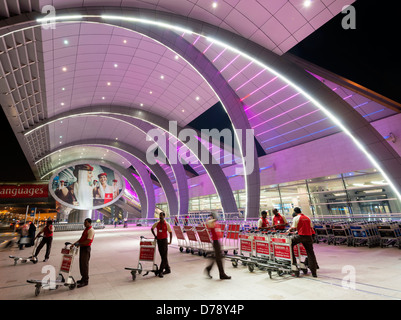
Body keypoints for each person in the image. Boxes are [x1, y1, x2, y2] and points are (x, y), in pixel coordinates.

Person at [287, 207, 318, 277]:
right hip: (309, 237)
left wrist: (289, 230)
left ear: (295, 212)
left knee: (289, 243)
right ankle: (314, 272)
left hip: (300, 236)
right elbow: (311, 227)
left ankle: (294, 263)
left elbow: (293, 227)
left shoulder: (296, 218)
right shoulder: (307, 218)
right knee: (310, 253)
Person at [204, 213, 231, 280]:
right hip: (215, 242)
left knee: (217, 257)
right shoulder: (212, 222)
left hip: (217, 241)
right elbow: (208, 224)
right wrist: (213, 219)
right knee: (218, 258)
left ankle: (208, 269)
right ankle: (222, 274)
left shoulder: (216, 223)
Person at [73, 218, 95, 288]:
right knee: (81, 264)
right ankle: (83, 278)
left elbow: (88, 241)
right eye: (84, 222)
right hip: (82, 247)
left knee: (85, 265)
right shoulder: (86, 229)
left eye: (85, 223)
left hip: (86, 248)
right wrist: (74, 243)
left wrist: (79, 244)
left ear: (89, 223)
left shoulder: (91, 230)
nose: (84, 224)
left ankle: (85, 281)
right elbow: (81, 239)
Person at [151, 212, 172, 278]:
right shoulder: (157, 224)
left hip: (164, 241)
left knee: (164, 256)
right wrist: (155, 236)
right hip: (159, 241)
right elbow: (152, 229)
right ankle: (168, 269)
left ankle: (160, 271)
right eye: (159, 216)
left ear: (164, 216)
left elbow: (171, 233)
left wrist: (170, 241)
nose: (160, 217)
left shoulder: (167, 224)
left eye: (161, 216)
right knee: (163, 256)